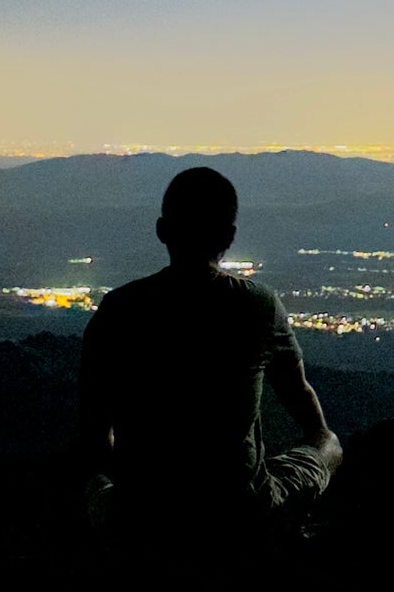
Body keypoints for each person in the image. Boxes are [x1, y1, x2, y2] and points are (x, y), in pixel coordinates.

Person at [77, 166, 341, 560]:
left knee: (90, 481)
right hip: (242, 513)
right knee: (328, 445)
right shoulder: (259, 305)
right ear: (229, 237)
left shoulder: (118, 309)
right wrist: (319, 434)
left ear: (162, 230)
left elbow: (93, 435)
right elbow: (300, 398)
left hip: (138, 519)